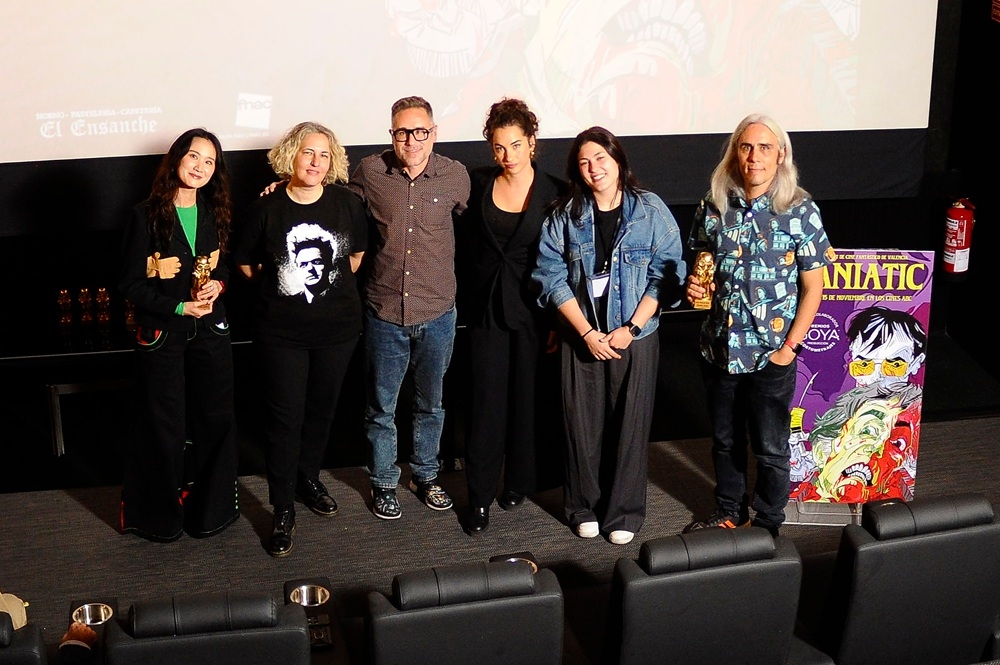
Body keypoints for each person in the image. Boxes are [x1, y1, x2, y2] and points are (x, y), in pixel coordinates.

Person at [533, 126, 685, 545]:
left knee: (630, 426)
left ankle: (624, 512)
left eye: (600, 158)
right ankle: (582, 506)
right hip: (581, 335)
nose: (593, 168)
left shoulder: (650, 210)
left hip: (636, 335)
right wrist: (585, 331)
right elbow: (549, 276)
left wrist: (631, 328)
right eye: (584, 161)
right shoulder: (565, 214)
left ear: (618, 161)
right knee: (579, 427)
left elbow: (668, 273)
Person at [684, 113, 834, 537]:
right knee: (725, 441)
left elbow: (814, 288)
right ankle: (729, 510)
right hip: (719, 348)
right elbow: (701, 270)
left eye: (765, 147)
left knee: (770, 449)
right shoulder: (713, 205)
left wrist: (790, 347)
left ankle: (768, 521)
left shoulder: (800, 209)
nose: (754, 156)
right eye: (746, 147)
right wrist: (697, 288)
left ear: (781, 155)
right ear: (735, 153)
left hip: (772, 351)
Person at [232, 122, 367, 556]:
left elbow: (357, 256)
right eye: (308, 153)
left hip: (338, 332)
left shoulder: (347, 203)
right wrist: (281, 289)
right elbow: (246, 263)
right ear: (291, 154)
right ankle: (282, 506)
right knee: (284, 421)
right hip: (281, 334)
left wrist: (327, 296)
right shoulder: (266, 208)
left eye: (324, 155)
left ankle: (309, 479)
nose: (315, 162)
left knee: (321, 413)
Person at [347, 96, 471, 520]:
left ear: (433, 133)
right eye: (403, 132)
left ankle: (425, 476)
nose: (412, 140)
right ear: (392, 135)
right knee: (381, 408)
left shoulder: (455, 176)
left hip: (438, 313)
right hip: (384, 313)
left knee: (430, 405)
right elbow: (335, 206)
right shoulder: (370, 172)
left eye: (421, 132)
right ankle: (383, 482)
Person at [118, 128, 238, 542]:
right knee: (161, 426)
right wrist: (178, 306)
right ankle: (159, 520)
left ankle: (212, 514)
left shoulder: (216, 211)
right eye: (193, 157)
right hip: (163, 334)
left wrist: (216, 287)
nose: (200, 167)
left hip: (209, 331)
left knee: (215, 420)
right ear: (175, 160)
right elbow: (130, 284)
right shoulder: (144, 214)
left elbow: (222, 269)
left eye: (209, 161)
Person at [457, 98, 566, 535]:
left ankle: (519, 482)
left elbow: (568, 260)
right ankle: (479, 499)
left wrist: (560, 321)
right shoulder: (476, 183)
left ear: (532, 143)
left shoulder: (556, 192)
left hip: (535, 314)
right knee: (485, 407)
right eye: (499, 147)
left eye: (516, 145)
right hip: (485, 311)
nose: (508, 156)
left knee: (527, 402)